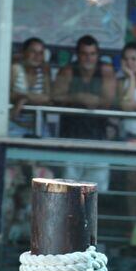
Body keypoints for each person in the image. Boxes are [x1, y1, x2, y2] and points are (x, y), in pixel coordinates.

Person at [51, 34, 116, 189]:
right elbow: (55, 97)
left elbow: (109, 101)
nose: (88, 58)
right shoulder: (68, 70)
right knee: (68, 186)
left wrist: (90, 100)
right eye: (84, 54)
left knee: (96, 187)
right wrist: (78, 97)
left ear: (97, 55)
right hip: (69, 135)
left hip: (98, 136)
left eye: (92, 54)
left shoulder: (106, 70)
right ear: (78, 55)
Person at [9, 37, 51, 137]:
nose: (37, 56)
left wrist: (24, 99)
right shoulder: (15, 69)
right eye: (33, 52)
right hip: (14, 124)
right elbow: (6, 96)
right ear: (24, 53)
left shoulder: (44, 70)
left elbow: (49, 99)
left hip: (38, 125)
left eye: (40, 53)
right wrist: (35, 98)